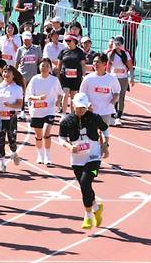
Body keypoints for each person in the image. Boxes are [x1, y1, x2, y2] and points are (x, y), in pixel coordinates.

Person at [58, 92, 109, 229]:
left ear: (87, 107)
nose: (81, 110)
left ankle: (88, 216)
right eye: (78, 107)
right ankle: (97, 207)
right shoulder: (67, 121)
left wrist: (105, 145)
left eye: (83, 108)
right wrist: (69, 147)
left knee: (86, 182)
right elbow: (61, 138)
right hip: (77, 159)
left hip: (93, 157)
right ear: (73, 105)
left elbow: (105, 130)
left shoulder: (94, 118)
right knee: (84, 186)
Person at [25, 58, 63, 165]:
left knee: (47, 132)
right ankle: (40, 154)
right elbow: (29, 96)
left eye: (47, 65)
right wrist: (38, 98)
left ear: (50, 67)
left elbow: (60, 93)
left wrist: (58, 102)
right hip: (36, 111)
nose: (44, 68)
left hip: (49, 110)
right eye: (42, 65)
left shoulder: (54, 80)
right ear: (39, 67)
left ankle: (47, 156)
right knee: (38, 135)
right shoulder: (34, 80)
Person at [0, 66, 24, 172]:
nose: (6, 74)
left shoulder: (17, 88)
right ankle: (2, 164)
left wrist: (10, 105)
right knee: (0, 141)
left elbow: (20, 104)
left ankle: (14, 153)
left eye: (9, 72)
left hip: (11, 118)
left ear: (13, 74)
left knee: (12, 140)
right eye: (4, 72)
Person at [80, 53, 121, 128]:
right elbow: (82, 93)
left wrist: (112, 101)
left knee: (104, 133)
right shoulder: (88, 78)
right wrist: (87, 104)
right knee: (92, 134)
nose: (95, 64)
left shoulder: (112, 78)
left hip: (106, 111)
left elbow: (117, 92)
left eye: (97, 62)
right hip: (91, 111)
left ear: (104, 63)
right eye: (94, 61)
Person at [106, 36, 134, 125]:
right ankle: (112, 114)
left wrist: (132, 78)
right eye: (116, 43)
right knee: (113, 96)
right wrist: (107, 77)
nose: (117, 46)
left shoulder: (126, 54)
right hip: (113, 78)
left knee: (121, 97)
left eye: (119, 44)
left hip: (123, 78)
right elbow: (108, 67)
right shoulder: (111, 54)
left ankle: (119, 116)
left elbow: (130, 66)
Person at [56, 34, 87, 114]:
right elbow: (59, 65)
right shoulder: (63, 51)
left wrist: (83, 75)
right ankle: (63, 113)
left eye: (69, 41)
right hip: (65, 76)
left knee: (73, 96)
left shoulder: (80, 52)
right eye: (66, 41)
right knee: (65, 94)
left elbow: (83, 64)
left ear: (74, 41)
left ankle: (73, 114)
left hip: (76, 77)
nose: (67, 42)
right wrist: (58, 75)